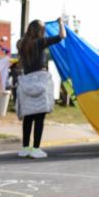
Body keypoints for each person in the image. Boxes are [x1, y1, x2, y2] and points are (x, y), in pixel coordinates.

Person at [15, 17, 66, 158]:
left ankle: (25, 148)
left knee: (28, 116)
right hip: (40, 81)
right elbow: (62, 36)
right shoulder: (40, 42)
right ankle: (36, 149)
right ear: (40, 31)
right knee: (39, 116)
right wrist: (60, 23)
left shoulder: (21, 44)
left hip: (27, 81)